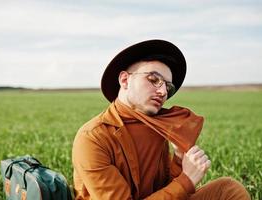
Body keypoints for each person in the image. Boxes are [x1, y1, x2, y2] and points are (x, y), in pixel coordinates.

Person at [72, 39, 250, 200]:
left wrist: (179, 159)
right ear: (125, 80)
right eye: (153, 79)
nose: (163, 92)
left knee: (228, 189)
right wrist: (187, 180)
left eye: (168, 86)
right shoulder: (93, 137)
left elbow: (164, 188)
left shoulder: (156, 126)